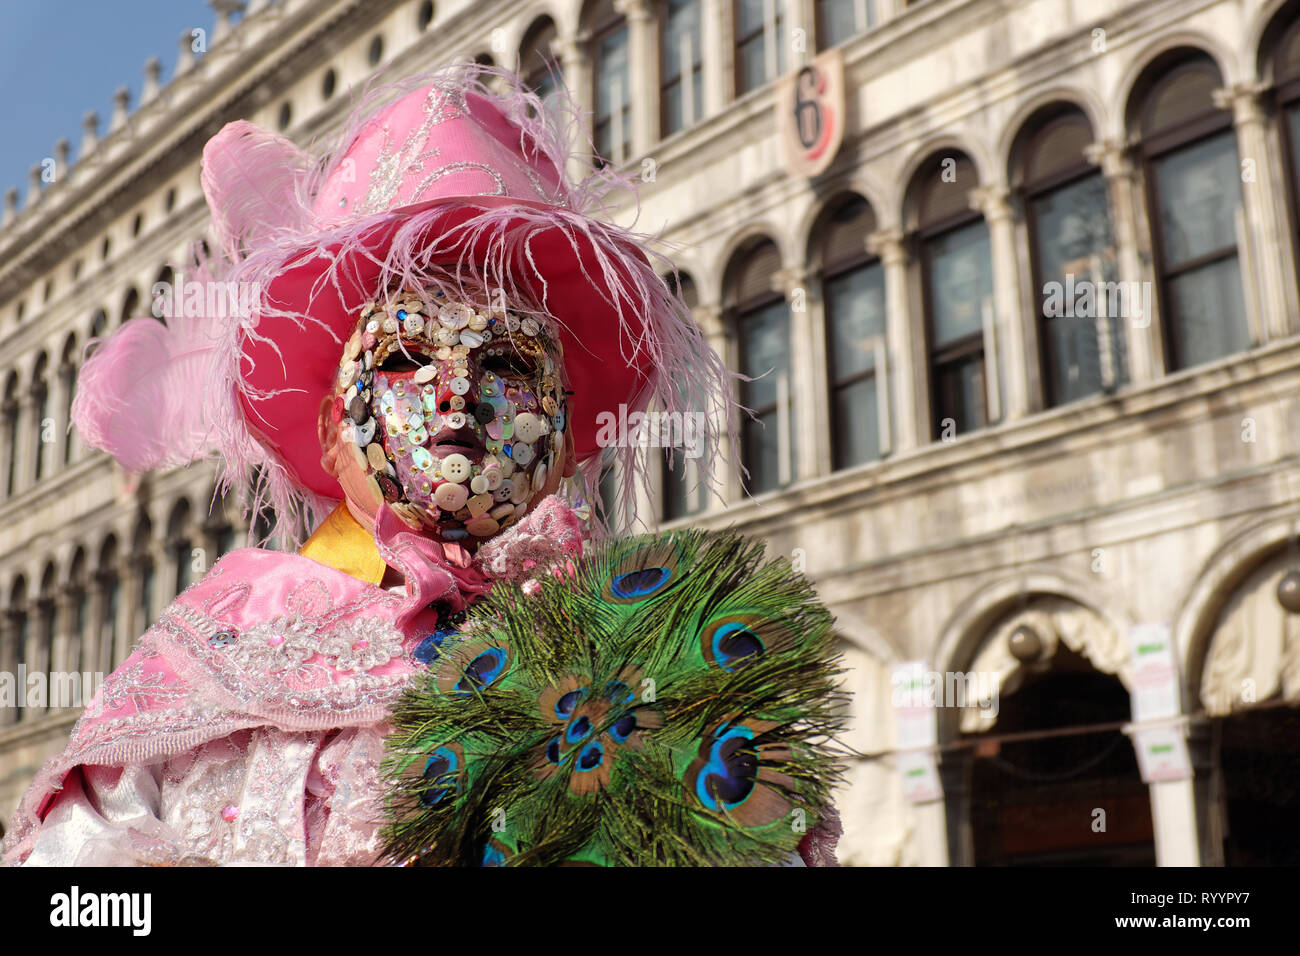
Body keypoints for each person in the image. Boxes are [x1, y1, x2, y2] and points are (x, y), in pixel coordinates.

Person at [0, 65, 839, 866]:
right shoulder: (207, 658)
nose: (458, 397)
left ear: (562, 436)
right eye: (404, 359)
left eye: (509, 364)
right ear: (332, 430)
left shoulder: (648, 655)